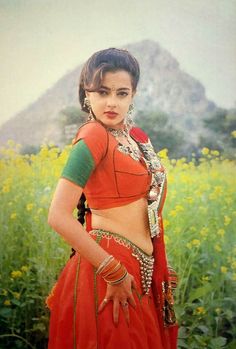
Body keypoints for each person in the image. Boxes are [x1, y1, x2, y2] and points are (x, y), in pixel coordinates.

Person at [46, 47, 178, 349]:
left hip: (139, 271)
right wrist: (112, 270)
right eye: (103, 92)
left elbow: (150, 207)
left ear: (133, 95)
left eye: (122, 93)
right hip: (106, 272)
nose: (111, 102)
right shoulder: (92, 136)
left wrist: (158, 264)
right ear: (86, 93)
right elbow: (58, 215)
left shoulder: (139, 139)